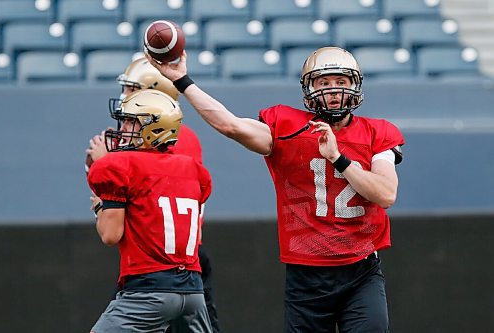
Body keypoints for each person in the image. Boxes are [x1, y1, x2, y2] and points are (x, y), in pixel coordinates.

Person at [146, 46, 405, 332]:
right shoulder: (286, 124)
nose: (333, 91)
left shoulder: (378, 131)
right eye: (324, 83)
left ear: (355, 86)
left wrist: (338, 158)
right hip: (307, 274)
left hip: (361, 270)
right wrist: (183, 81)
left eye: (341, 82)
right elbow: (230, 125)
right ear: (309, 88)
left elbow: (385, 194)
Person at [87, 57, 222, 332]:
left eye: (131, 90)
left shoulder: (119, 164)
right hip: (189, 282)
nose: (122, 129)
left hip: (151, 275)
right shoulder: (189, 166)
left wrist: (102, 197)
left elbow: (111, 233)